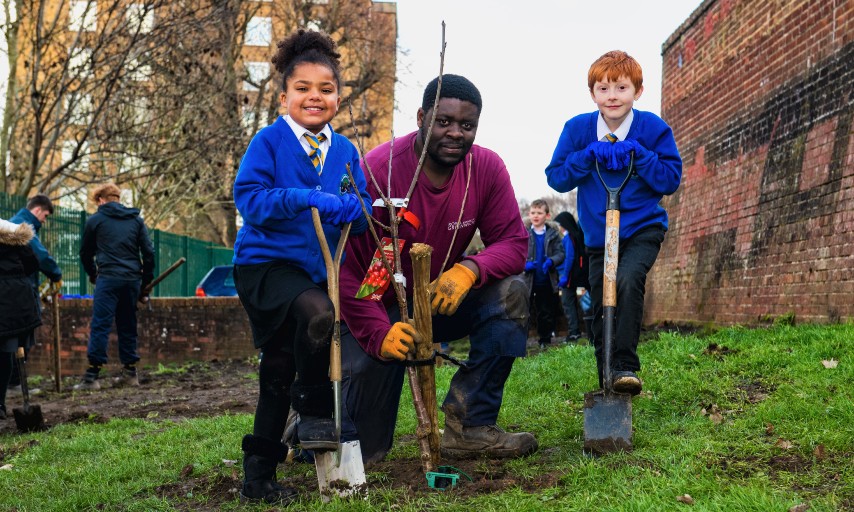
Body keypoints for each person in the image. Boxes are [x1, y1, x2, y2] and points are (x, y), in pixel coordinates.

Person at [339, 74, 538, 464]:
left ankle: (469, 426)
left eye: (467, 126)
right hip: (380, 303)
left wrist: (470, 269)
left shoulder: (485, 169)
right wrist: (378, 334)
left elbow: (514, 244)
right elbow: (351, 272)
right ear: (421, 117)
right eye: (443, 121)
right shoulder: (379, 170)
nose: (455, 133)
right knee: (366, 452)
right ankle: (311, 417)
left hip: (441, 300)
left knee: (511, 292)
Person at [231, 29, 370, 505]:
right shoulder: (269, 142)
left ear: (337, 95)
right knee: (318, 315)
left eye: (326, 90)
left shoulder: (346, 150)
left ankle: (259, 478)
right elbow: (250, 200)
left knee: (278, 368)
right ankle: (311, 407)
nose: (315, 97)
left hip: (315, 268)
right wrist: (305, 197)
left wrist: (358, 207)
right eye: (303, 89)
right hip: (266, 265)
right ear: (285, 94)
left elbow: (359, 199)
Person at [545, 50, 682, 395]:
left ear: (638, 91)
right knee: (600, 300)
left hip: (642, 228)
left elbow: (669, 179)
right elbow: (557, 177)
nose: (612, 97)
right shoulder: (577, 130)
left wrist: (640, 154)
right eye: (603, 89)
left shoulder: (652, 128)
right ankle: (607, 377)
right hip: (596, 236)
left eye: (621, 88)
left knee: (627, 280)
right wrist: (587, 155)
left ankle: (625, 366)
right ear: (592, 93)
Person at [76, 183, 155, 390]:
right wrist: (145, 284)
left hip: (108, 278)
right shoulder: (136, 221)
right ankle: (130, 374)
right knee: (127, 323)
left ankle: (92, 377)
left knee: (101, 324)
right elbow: (149, 253)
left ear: (100, 200)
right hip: (131, 280)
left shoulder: (95, 221)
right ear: (118, 199)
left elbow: (85, 253)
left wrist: (93, 275)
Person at [8, 194, 62, 392]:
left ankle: (13, 382)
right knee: (23, 334)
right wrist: (56, 274)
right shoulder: (22, 227)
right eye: (45, 215)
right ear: (37, 210)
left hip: (16, 290)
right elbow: (40, 257)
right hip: (21, 292)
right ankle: (14, 383)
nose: (44, 220)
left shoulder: (12, 224)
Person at [0, 219, 42, 419]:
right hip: (17, 300)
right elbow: (33, 263)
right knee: (7, 353)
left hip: (9, 301)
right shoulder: (13, 233)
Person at [524, 199, 564, 349]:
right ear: (529, 214)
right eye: (533, 212)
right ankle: (522, 341)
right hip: (528, 280)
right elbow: (516, 252)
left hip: (547, 280)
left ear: (547, 215)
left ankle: (545, 340)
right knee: (524, 311)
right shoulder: (524, 234)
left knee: (545, 312)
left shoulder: (553, 234)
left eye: (539, 213)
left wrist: (552, 261)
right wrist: (524, 264)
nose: (536, 216)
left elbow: (561, 253)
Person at [553, 211, 588, 343]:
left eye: (560, 224)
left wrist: (565, 276)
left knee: (568, 304)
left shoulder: (568, 238)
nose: (560, 227)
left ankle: (574, 332)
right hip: (578, 275)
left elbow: (569, 258)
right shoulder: (577, 236)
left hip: (569, 277)